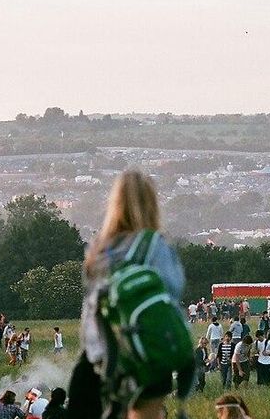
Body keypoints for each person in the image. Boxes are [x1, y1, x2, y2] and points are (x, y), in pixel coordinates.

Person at [68, 170, 192, 419]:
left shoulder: (99, 249)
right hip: (146, 352)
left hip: (102, 352)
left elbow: (90, 309)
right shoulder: (155, 245)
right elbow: (172, 294)